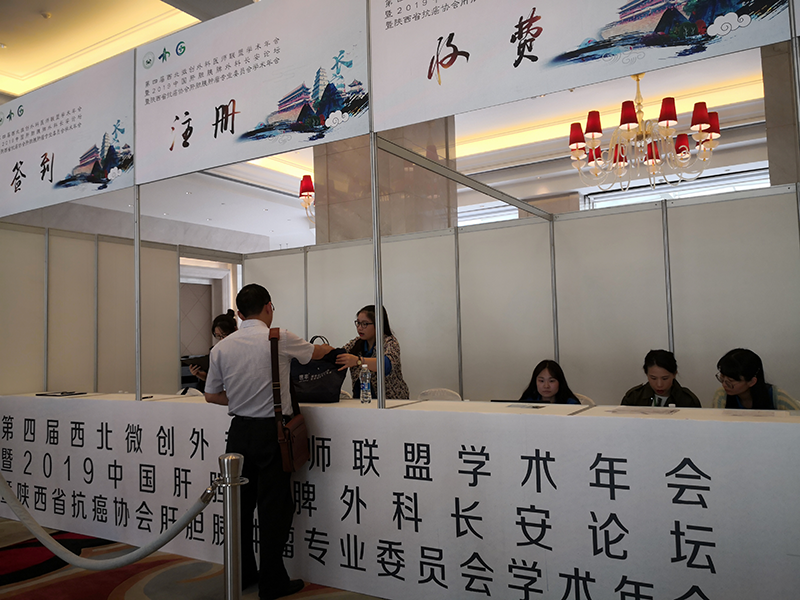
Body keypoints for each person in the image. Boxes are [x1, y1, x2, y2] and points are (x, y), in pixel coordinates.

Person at [204, 284, 333, 600]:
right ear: (269, 307)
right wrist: (334, 349)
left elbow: (211, 395)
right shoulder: (279, 337)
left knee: (240, 507)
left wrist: (241, 399)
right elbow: (316, 353)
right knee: (274, 509)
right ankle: (272, 582)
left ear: (238, 314)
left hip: (238, 433)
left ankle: (243, 574)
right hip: (273, 433)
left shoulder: (221, 348)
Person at [335, 305, 409, 399]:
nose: (359, 328)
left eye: (365, 324)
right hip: (362, 399)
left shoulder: (390, 342)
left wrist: (358, 361)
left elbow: (385, 365)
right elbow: (338, 354)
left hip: (391, 401)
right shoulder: (356, 343)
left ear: (378, 324)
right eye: (358, 323)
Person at [712, 348, 800, 410]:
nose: (724, 384)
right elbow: (716, 423)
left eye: (731, 381)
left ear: (752, 381)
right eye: (722, 378)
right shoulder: (722, 395)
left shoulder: (776, 396)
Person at [621, 349, 700, 407]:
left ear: (674, 374)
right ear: (646, 374)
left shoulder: (688, 400)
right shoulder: (634, 397)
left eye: (665, 378)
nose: (659, 384)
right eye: (653, 378)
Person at [190, 309, 238, 382]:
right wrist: (198, 374)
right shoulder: (215, 351)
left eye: (224, 335)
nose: (222, 339)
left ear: (235, 330)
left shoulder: (241, 349)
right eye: (218, 336)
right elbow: (212, 379)